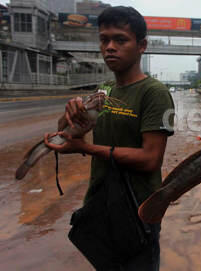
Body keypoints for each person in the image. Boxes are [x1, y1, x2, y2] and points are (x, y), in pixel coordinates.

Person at [44, 6, 174, 270]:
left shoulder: (155, 93)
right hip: (101, 206)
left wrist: (87, 148)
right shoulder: (103, 91)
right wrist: (69, 114)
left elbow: (151, 159)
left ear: (142, 45)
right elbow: (68, 134)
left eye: (120, 40)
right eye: (104, 40)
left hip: (140, 210)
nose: (110, 47)